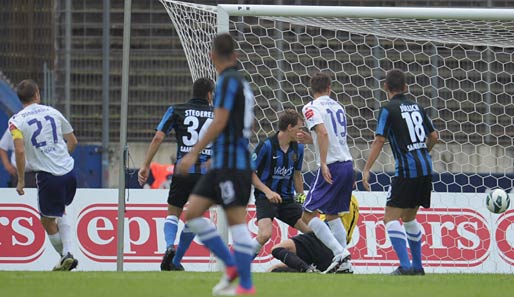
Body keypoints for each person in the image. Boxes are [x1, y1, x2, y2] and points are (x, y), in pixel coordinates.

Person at [176, 33, 256, 296]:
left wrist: (193, 154)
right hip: (225, 161)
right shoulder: (241, 81)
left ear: (211, 56)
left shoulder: (226, 82)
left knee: (236, 223)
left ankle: (245, 285)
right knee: (193, 213)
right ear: (236, 55)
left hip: (233, 164)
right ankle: (232, 267)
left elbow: (220, 121)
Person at [362, 69, 438, 276]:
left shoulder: (388, 109)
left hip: (406, 171)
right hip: (425, 169)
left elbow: (379, 139)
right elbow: (434, 136)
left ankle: (405, 266)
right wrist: (423, 152)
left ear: (385, 86)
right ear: (405, 86)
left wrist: (367, 168)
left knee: (390, 218)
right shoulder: (418, 106)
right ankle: (418, 267)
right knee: (409, 218)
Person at [138, 77, 215, 271]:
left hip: (182, 170)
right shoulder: (217, 114)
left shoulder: (176, 109)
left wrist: (146, 165)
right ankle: (176, 259)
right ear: (209, 94)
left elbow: (158, 137)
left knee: (173, 212)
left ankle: (168, 247)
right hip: (206, 173)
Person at [9, 79, 79, 271]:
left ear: (19, 99)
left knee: (47, 220)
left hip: (49, 176)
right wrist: (61, 158)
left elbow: (20, 151)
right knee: (61, 208)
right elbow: (72, 140)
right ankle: (67, 255)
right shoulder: (53, 112)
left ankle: (66, 256)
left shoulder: (16, 122)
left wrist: (21, 180)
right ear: (37, 94)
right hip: (69, 171)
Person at [300, 72, 354, 274]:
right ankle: (345, 264)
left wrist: (322, 163)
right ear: (330, 88)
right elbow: (330, 136)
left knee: (307, 214)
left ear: (311, 90)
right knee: (332, 215)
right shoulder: (338, 106)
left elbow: (323, 132)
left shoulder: (311, 107)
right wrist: (310, 139)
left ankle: (339, 253)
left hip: (331, 165)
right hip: (347, 164)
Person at [251, 109, 310, 256]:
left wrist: (301, 197)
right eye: (299, 128)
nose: (301, 132)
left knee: (312, 232)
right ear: (290, 128)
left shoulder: (299, 148)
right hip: (266, 198)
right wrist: (268, 191)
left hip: (287, 200)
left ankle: (309, 264)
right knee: (265, 235)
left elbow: (297, 174)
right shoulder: (266, 146)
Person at [269, 195, 359, 273]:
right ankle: (307, 269)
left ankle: (307, 269)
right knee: (275, 268)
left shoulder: (339, 196)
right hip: (333, 254)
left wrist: (307, 201)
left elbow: (323, 213)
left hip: (322, 241)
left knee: (277, 249)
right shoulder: (354, 201)